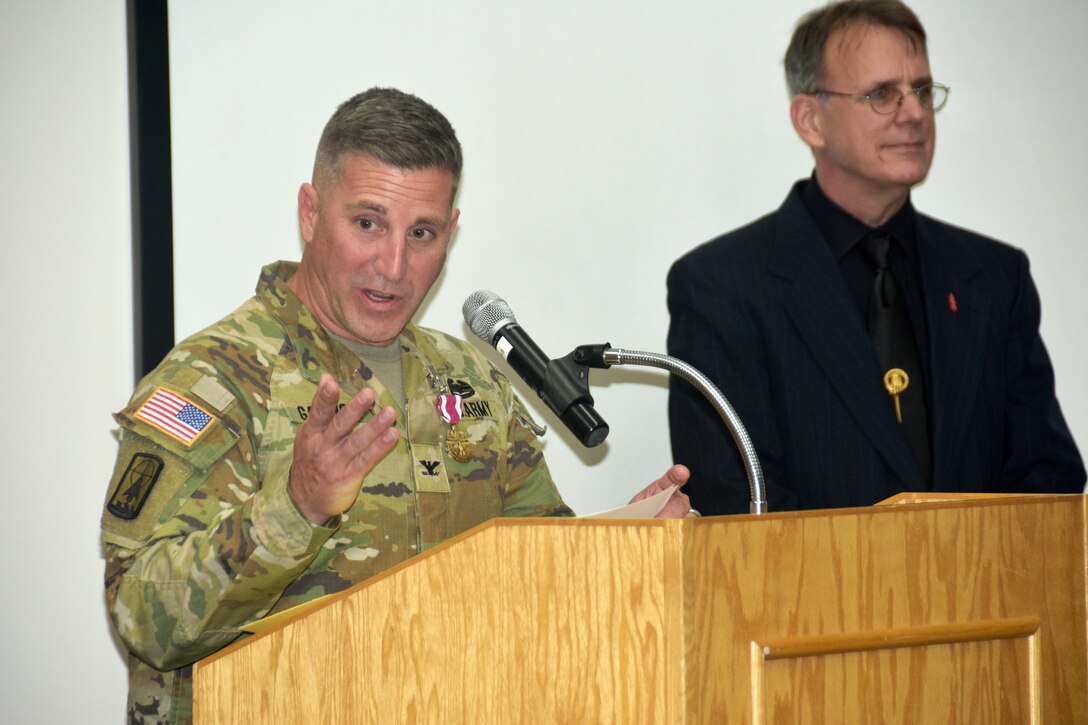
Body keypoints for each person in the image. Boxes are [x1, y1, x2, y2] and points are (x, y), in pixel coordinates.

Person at [102, 87, 693, 724]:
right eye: (367, 224)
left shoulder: (470, 379)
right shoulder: (212, 380)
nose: (393, 264)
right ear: (309, 212)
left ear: (451, 234)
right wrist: (295, 508)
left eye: (422, 233)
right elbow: (142, 616)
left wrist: (628, 547)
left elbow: (534, 566)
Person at [667, 0, 1085, 515]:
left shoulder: (994, 278)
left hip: (984, 592)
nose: (913, 113)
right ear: (810, 119)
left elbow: (1047, 481)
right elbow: (734, 497)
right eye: (882, 94)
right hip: (810, 594)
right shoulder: (722, 287)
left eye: (923, 91)